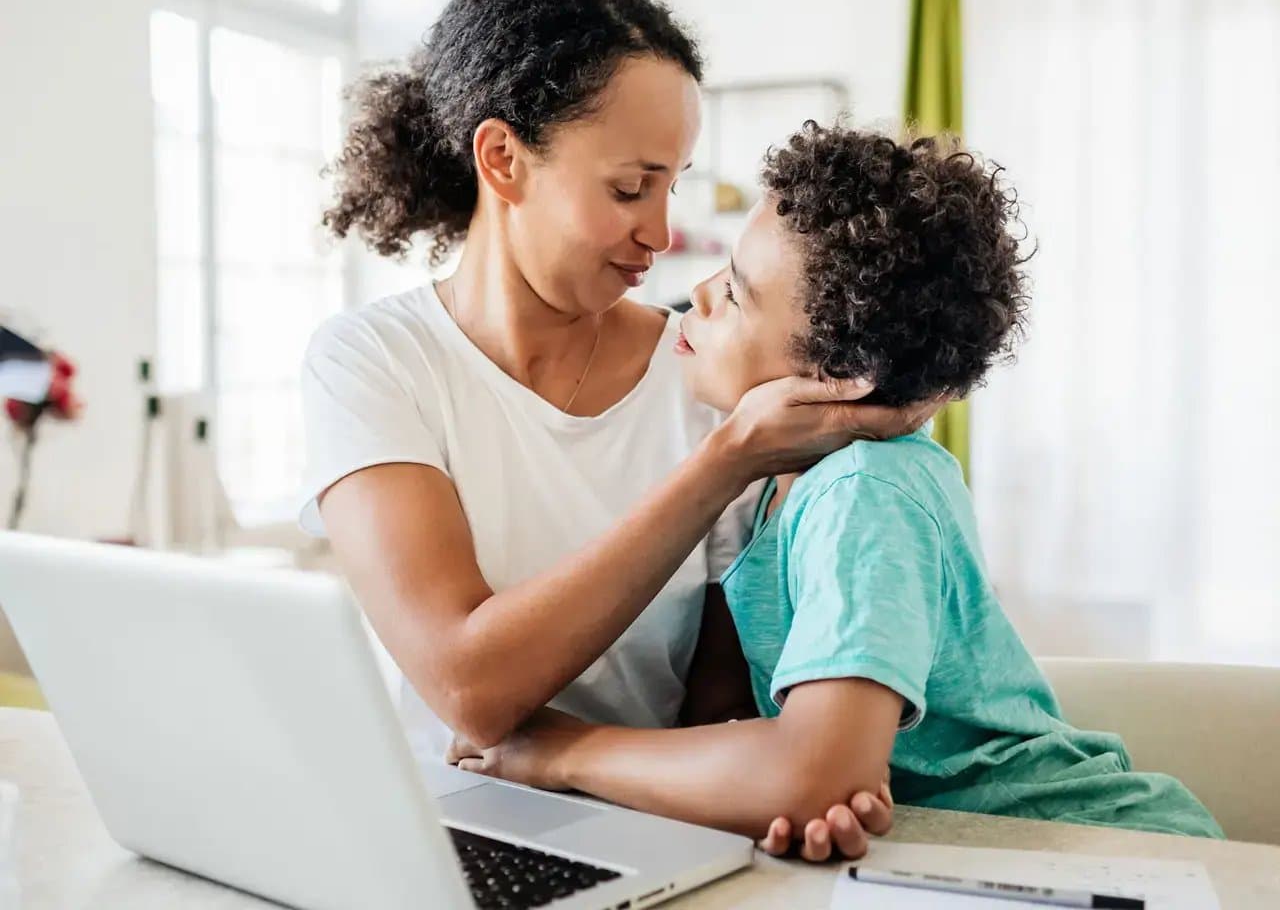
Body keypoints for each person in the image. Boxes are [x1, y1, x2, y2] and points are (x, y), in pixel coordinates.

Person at [300, 0, 931, 859]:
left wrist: (782, 794)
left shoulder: (711, 377)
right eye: (630, 188)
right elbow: (468, 691)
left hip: (651, 830)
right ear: (503, 160)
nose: (662, 233)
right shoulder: (371, 362)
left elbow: (720, 698)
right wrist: (720, 468)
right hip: (438, 828)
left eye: (673, 185)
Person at [447, 123, 1225, 841]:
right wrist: (781, 782)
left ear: (843, 375)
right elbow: (770, 750)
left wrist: (559, 751)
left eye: (740, 292)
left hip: (1094, 853)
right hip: (953, 856)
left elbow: (813, 774)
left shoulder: (865, 491)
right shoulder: (779, 487)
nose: (702, 295)